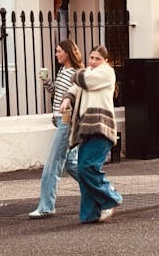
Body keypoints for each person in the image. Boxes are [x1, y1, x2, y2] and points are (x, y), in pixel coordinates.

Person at [61, 45, 123, 224]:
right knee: (83, 170)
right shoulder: (87, 73)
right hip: (86, 128)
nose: (93, 62)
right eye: (91, 58)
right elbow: (75, 89)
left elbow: (84, 81)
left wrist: (73, 71)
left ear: (105, 61)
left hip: (101, 127)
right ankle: (89, 215)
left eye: (97, 58)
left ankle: (110, 198)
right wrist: (67, 98)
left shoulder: (106, 73)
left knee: (87, 168)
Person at [29, 39, 84, 219]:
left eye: (59, 51)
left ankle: (46, 206)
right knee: (71, 164)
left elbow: (75, 95)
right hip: (60, 121)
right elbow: (56, 94)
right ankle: (100, 191)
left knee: (52, 164)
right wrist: (46, 82)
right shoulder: (62, 71)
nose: (56, 54)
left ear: (67, 53)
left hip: (66, 123)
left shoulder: (75, 73)